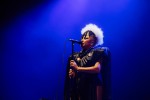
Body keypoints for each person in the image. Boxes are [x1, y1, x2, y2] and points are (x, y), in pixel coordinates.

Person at [64, 23, 111, 100]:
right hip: (79, 88)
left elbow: (97, 69)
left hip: (92, 87)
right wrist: (73, 74)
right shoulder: (76, 56)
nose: (82, 40)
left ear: (92, 42)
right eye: (82, 38)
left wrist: (77, 68)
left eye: (85, 38)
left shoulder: (97, 52)